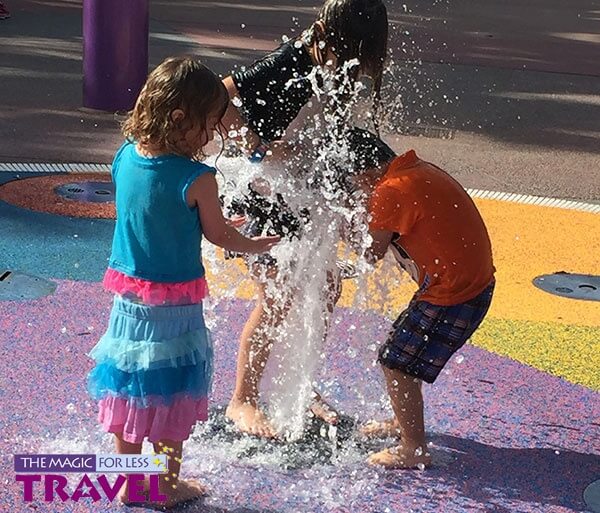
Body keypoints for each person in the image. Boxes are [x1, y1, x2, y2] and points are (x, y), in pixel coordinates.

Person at [86, 57, 279, 508]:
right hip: (174, 306)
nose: (212, 136)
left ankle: (132, 481)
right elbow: (219, 235)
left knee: (131, 384)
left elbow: (152, 211)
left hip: (130, 299)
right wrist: (254, 243)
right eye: (208, 125)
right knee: (171, 391)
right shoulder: (199, 178)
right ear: (179, 119)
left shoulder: (125, 156)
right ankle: (165, 487)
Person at [219, 0, 389, 438]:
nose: (356, 65)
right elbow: (219, 96)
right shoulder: (291, 59)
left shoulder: (338, 70)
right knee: (276, 299)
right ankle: (244, 399)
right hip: (266, 191)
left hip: (306, 193)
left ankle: (300, 386)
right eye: (353, 51)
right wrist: (259, 147)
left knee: (324, 290)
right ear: (329, 35)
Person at [349, 142, 495, 469]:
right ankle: (405, 423)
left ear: (367, 172)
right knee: (399, 353)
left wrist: (343, 223)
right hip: (467, 286)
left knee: (397, 362)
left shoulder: (389, 191)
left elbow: (369, 253)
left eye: (354, 184)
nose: (356, 193)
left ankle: (413, 449)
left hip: (455, 295)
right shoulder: (413, 171)